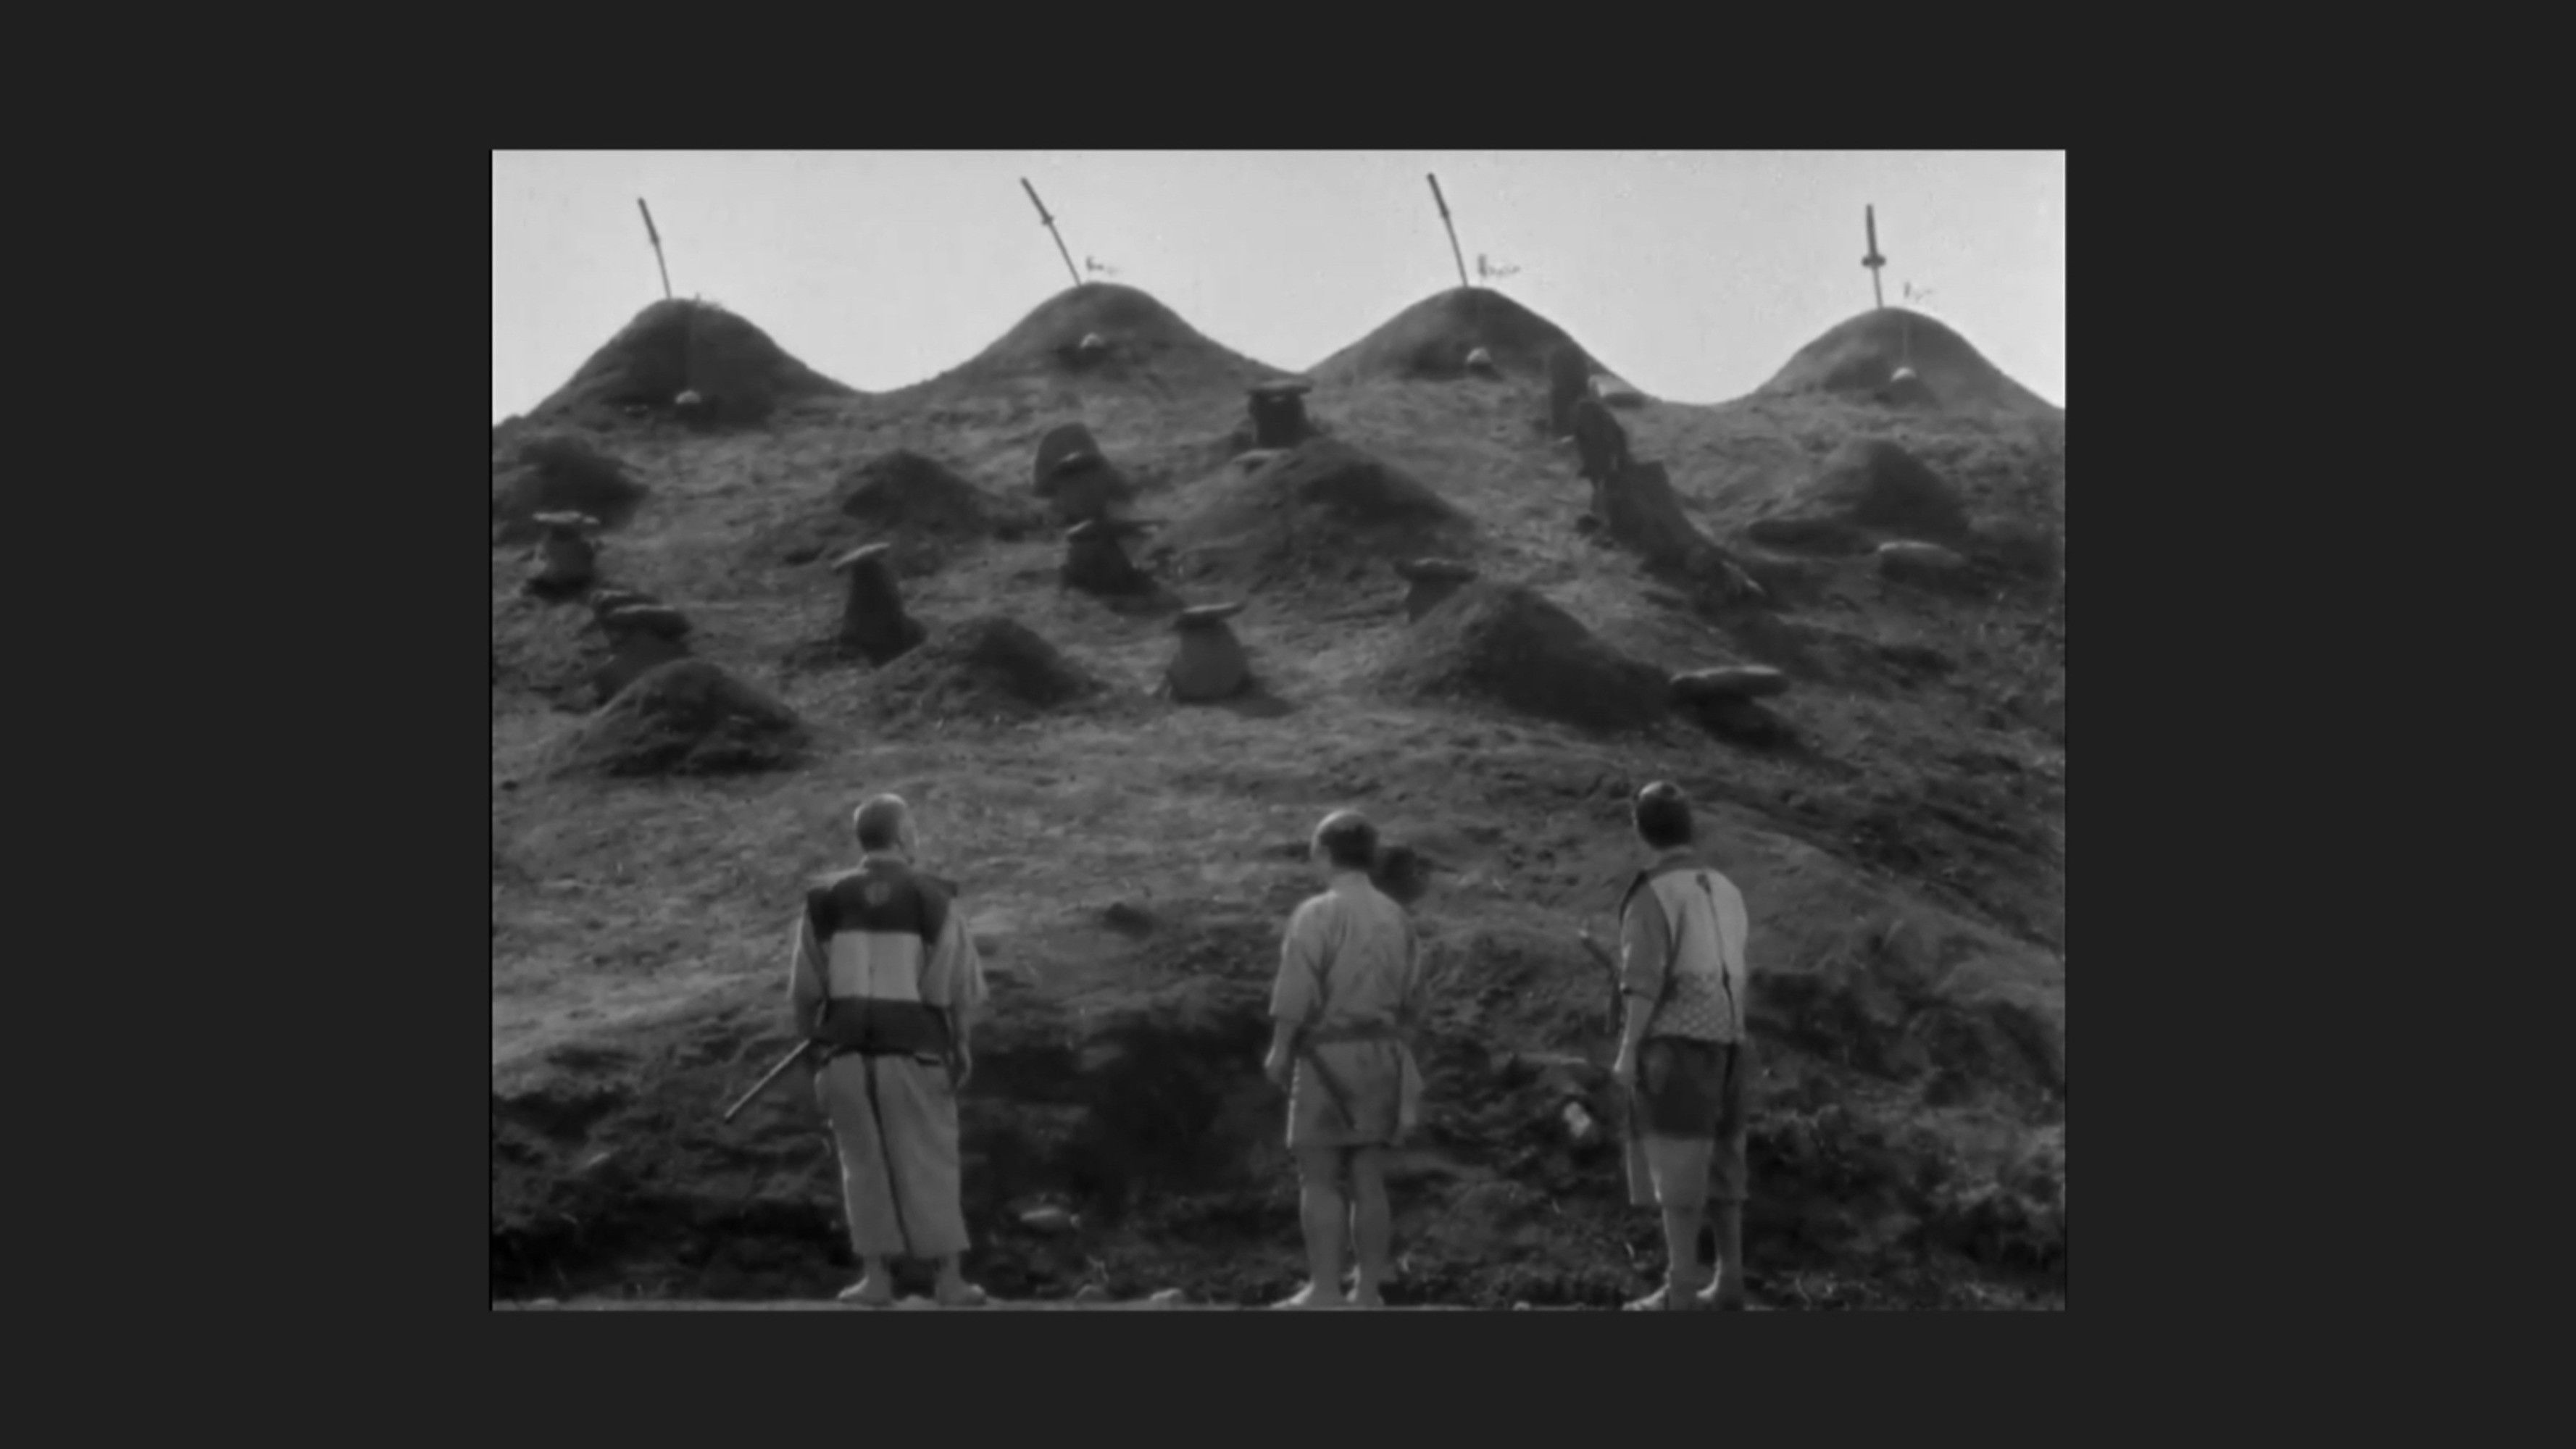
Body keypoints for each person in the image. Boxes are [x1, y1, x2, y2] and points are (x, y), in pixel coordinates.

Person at [789, 794, 991, 1308]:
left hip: (844, 1056)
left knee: (863, 1168)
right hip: (915, 1054)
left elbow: (804, 992)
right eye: (912, 827)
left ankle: (876, 1279)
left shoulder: (824, 900)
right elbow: (956, 987)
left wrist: (813, 1050)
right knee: (930, 1162)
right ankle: (948, 1281)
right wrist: (960, 1044)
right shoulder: (934, 899)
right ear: (902, 836)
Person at [1263, 809, 1425, 1309]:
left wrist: (1280, 1047)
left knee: (1318, 1175)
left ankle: (1325, 1290)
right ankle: (1368, 1292)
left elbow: (1296, 988)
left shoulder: (1316, 914)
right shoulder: (1397, 918)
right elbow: (1415, 997)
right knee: (1368, 1177)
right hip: (1384, 1053)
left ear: (1323, 853)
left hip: (1327, 1055)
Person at [1612, 782, 1756, 1311]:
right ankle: (1729, 1277)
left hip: (1677, 1045)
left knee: (1678, 1167)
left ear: (1639, 830)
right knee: (1724, 1163)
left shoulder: (1653, 894)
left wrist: (1628, 1051)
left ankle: (1681, 1289)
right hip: (1731, 1041)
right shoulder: (1726, 889)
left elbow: (1643, 982)